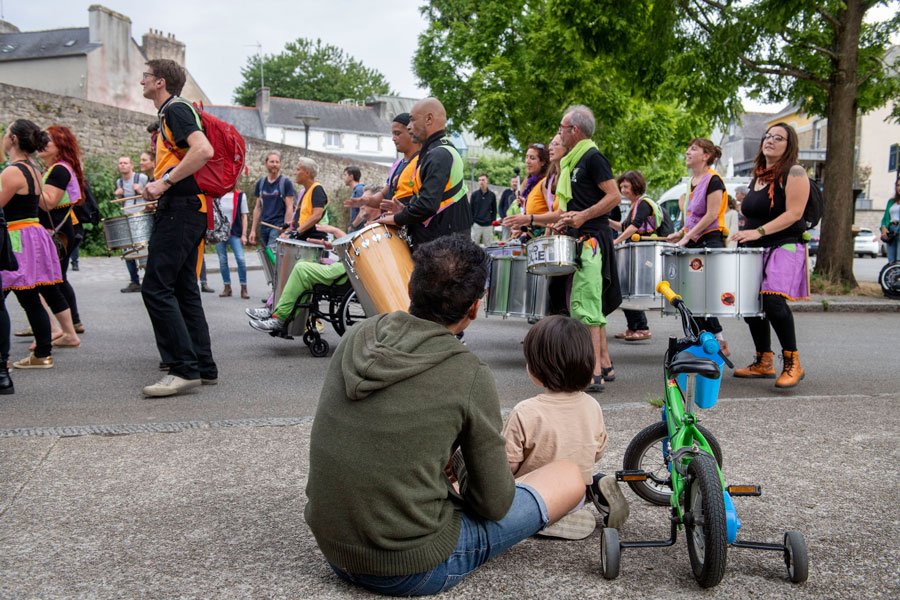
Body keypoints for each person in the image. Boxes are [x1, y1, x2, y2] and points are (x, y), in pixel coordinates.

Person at [305, 235, 585, 596]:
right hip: (411, 567)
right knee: (568, 476)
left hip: (334, 549)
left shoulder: (358, 335)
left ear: (411, 285)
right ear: (474, 308)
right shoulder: (467, 372)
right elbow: (493, 503)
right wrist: (461, 461)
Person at [502, 315, 629, 540]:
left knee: (507, 507)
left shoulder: (526, 411)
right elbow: (597, 452)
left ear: (537, 370)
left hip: (538, 498)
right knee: (586, 474)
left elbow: (507, 465)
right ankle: (597, 487)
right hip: (577, 490)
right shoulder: (592, 406)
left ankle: (549, 520)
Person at [139, 58, 217, 398]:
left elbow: (203, 150)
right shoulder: (170, 112)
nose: (141, 81)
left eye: (145, 76)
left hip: (181, 211)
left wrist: (163, 184)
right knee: (184, 290)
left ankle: (183, 369)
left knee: (155, 288)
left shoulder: (175, 110)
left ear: (160, 82)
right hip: (187, 209)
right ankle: (203, 366)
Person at [730, 123, 810, 388]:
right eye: (768, 136)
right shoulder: (758, 176)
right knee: (750, 304)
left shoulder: (795, 172)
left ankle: (793, 362)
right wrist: (743, 233)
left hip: (784, 244)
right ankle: (764, 360)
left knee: (773, 301)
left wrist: (758, 231)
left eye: (779, 138)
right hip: (754, 247)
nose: (770, 140)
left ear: (789, 145)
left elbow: (794, 214)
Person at [553, 105, 622, 392]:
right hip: (581, 237)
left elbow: (614, 196)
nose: (559, 133)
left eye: (561, 128)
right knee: (587, 304)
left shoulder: (592, 158)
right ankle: (604, 365)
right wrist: (567, 220)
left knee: (584, 308)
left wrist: (582, 216)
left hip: (592, 242)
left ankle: (592, 372)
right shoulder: (572, 162)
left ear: (574, 130)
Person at [0, 119, 68, 370]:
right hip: (32, 234)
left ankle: (5, 359)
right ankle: (42, 353)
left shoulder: (12, 171)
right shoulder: (34, 169)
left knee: (18, 295)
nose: (4, 137)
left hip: (16, 237)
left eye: (6, 133)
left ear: (14, 140)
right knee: (29, 296)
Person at [247, 204, 379, 331]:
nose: (361, 206)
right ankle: (276, 312)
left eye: (366, 203)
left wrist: (335, 231)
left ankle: (278, 316)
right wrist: (332, 247)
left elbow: (358, 252)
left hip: (349, 270)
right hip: (345, 267)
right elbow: (352, 250)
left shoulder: (376, 230)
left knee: (301, 268)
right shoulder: (369, 226)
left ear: (376, 206)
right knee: (302, 272)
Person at [377, 97, 472, 245]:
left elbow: (427, 205)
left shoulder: (438, 155)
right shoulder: (435, 152)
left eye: (412, 120)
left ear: (429, 119)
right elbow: (430, 199)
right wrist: (406, 210)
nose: (408, 127)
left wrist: (397, 219)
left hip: (444, 249)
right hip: (441, 243)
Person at [667, 138, 730, 355]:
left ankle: (718, 340)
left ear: (706, 156)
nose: (687, 151)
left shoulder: (714, 180)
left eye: (693, 149)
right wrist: (680, 234)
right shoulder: (691, 181)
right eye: (688, 147)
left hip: (710, 241)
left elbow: (711, 214)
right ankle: (704, 340)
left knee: (703, 296)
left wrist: (687, 237)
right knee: (691, 295)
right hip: (694, 241)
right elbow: (692, 219)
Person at [36, 124, 86, 346]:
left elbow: (48, 203)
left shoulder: (59, 170)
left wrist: (29, 184)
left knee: (46, 281)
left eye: (47, 140)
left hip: (57, 234)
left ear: (60, 146)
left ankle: (60, 330)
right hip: (57, 233)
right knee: (52, 280)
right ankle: (66, 328)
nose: (42, 143)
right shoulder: (56, 168)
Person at [612, 170, 665, 342]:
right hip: (635, 251)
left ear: (636, 185)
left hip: (643, 252)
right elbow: (623, 226)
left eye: (626, 186)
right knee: (626, 288)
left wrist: (617, 241)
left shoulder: (643, 204)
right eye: (621, 186)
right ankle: (632, 327)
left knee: (632, 290)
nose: (623, 189)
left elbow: (634, 227)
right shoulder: (635, 205)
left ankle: (642, 327)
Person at [349, 113, 421, 215]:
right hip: (396, 224)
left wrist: (403, 213)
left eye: (397, 133)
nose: (393, 138)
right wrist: (366, 201)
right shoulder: (397, 165)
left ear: (411, 132)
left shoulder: (423, 161)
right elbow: (384, 195)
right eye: (393, 134)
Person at [114, 155, 149, 293]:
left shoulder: (141, 178)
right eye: (120, 163)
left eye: (125, 163)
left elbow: (151, 195)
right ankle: (134, 281)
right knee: (127, 250)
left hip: (140, 217)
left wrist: (140, 190)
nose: (122, 165)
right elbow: (121, 200)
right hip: (126, 216)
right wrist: (118, 195)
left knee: (143, 250)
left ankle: (148, 281)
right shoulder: (119, 182)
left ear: (131, 166)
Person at [502, 144, 550, 241]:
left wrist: (546, 236)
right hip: (531, 237)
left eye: (532, 158)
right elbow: (536, 211)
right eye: (527, 157)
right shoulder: (532, 183)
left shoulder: (545, 182)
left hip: (540, 239)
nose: (527, 161)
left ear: (543, 162)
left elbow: (553, 214)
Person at [249, 151, 295, 250]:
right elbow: (257, 208)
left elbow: (289, 207)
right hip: (264, 226)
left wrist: (286, 230)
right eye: (272, 162)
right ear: (266, 164)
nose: (275, 164)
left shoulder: (285, 183)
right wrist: (253, 230)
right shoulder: (261, 183)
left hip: (278, 228)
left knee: (272, 256)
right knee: (265, 258)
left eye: (277, 162)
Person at [215, 188, 249, 298]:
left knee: (240, 259)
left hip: (235, 232)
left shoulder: (240, 195)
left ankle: (244, 287)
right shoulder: (217, 194)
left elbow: (244, 216)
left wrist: (244, 235)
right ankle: (227, 287)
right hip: (220, 232)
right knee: (222, 260)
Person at [287, 158, 327, 240]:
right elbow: (304, 215)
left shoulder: (317, 189)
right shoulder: (306, 191)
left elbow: (317, 215)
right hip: (304, 237)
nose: (295, 173)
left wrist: (297, 231)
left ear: (307, 173)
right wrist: (290, 226)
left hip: (314, 240)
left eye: (298, 169)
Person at [469, 173, 497, 245]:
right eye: (479, 180)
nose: (481, 182)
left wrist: (492, 221)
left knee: (488, 246)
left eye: (483, 180)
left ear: (487, 181)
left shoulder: (492, 195)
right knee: (474, 246)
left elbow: (494, 210)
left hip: (488, 225)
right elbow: (470, 209)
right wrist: (472, 222)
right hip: (476, 224)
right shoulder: (474, 195)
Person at [881, 177, 900, 263]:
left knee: (899, 261)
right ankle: (892, 276)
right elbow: (885, 218)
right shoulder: (891, 202)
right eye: (898, 185)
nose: (899, 187)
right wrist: (884, 228)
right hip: (891, 231)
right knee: (891, 261)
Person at [343, 165, 366, 232]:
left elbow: (363, 210)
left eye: (345, 175)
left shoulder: (359, 190)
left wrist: (353, 226)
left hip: (358, 230)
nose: (343, 178)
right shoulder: (356, 190)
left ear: (351, 177)